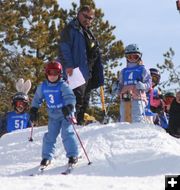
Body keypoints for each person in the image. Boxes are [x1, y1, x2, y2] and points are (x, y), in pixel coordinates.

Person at [59, 5, 104, 125]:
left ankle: (78, 125)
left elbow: (95, 55)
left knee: (84, 101)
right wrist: (69, 66)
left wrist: (98, 76)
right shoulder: (71, 29)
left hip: (87, 73)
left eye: (91, 18)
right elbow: (64, 49)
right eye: (86, 17)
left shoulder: (89, 33)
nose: (88, 20)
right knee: (75, 99)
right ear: (79, 14)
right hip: (74, 70)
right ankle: (69, 125)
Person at [29, 61, 79, 166]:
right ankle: (46, 157)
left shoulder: (63, 85)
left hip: (66, 114)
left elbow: (70, 97)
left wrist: (69, 106)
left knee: (66, 133)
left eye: (55, 73)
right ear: (46, 73)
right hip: (53, 115)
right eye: (50, 73)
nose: (52, 76)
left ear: (59, 74)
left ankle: (72, 155)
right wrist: (34, 109)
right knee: (50, 136)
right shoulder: (43, 87)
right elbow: (37, 98)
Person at [118, 44, 151, 123]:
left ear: (139, 57)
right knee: (124, 118)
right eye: (129, 57)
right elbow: (120, 83)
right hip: (125, 97)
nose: (132, 58)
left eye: (135, 56)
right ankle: (124, 134)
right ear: (126, 57)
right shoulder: (124, 71)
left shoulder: (142, 69)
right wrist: (117, 88)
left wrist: (143, 86)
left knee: (137, 118)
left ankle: (137, 132)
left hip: (138, 97)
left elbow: (149, 83)